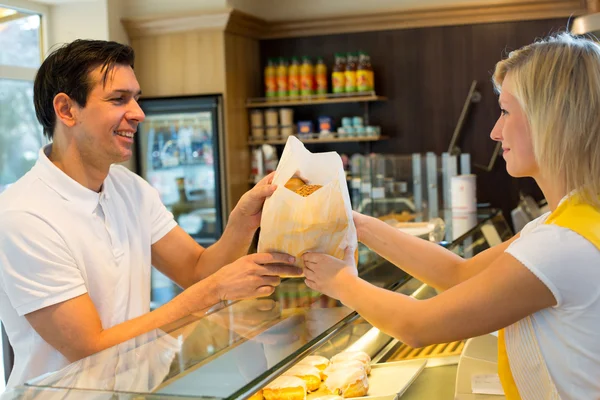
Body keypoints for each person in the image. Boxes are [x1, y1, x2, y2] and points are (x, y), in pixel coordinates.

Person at [303, 32, 600, 399]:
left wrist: (340, 282)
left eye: (505, 112)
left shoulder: (562, 245)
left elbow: (417, 325)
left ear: (550, 119)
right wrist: (357, 224)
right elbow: (457, 274)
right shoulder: (571, 222)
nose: (494, 131)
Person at [0, 39, 301, 389]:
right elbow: (90, 347)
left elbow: (197, 270)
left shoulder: (130, 188)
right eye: (118, 99)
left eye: (136, 98)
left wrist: (242, 222)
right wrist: (212, 293)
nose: (139, 113)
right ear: (67, 110)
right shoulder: (24, 216)